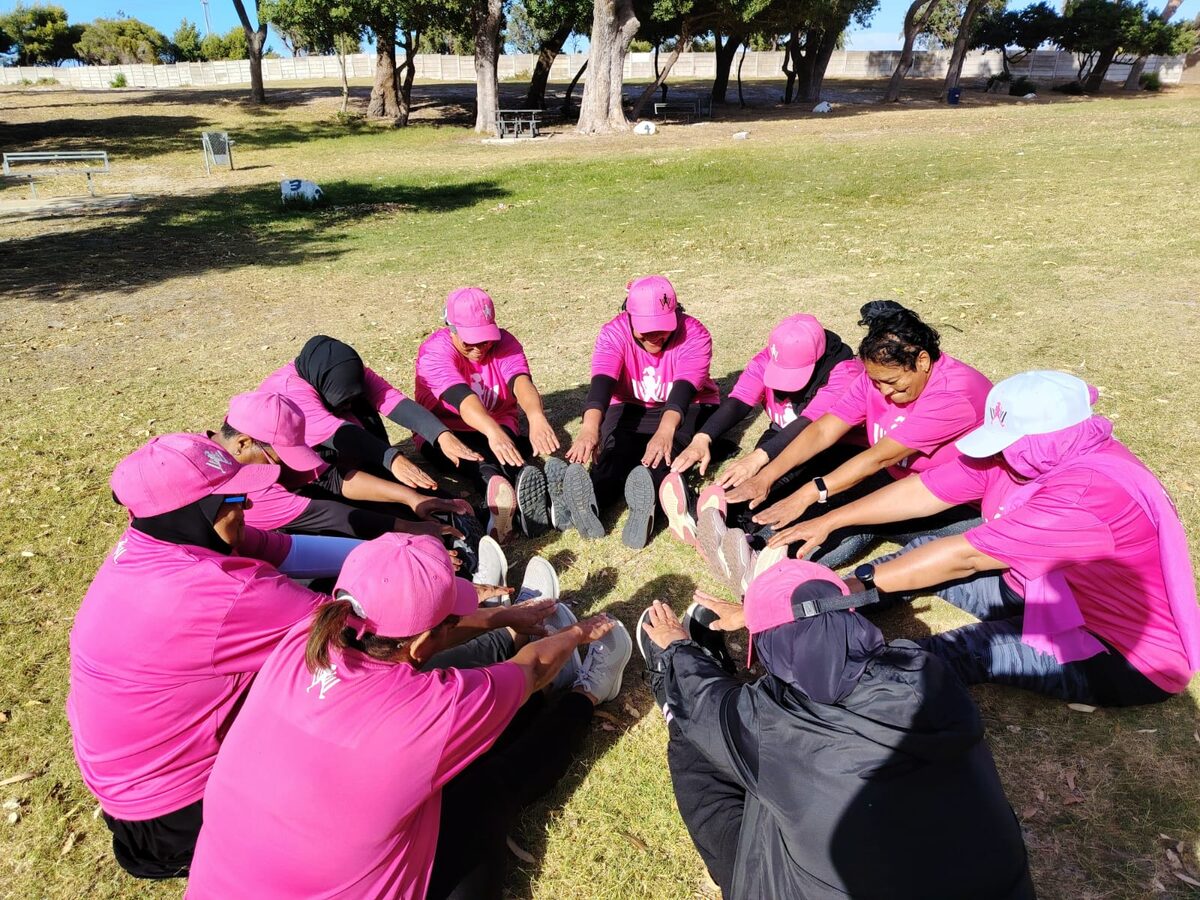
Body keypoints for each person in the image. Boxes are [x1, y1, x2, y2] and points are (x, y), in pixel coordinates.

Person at [186, 533, 634, 900]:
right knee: (484, 791)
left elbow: (417, 640)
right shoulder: (428, 708)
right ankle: (588, 693)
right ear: (421, 644)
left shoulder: (305, 637)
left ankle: (514, 646)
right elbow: (533, 668)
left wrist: (500, 617)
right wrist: (577, 633)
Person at [776, 371, 1200, 707]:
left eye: (1007, 442)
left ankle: (825, 673)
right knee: (919, 556)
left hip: (1117, 653)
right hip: (1050, 595)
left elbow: (966, 557)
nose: (997, 453)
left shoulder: (1087, 495)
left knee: (958, 652)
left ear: (1043, 439)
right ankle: (837, 619)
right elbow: (925, 491)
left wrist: (851, 587)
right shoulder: (1028, 455)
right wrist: (831, 519)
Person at [636, 560, 1034, 900]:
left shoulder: (772, 722)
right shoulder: (928, 672)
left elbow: (710, 709)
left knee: (698, 743)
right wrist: (760, 615)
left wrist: (678, 649)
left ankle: (668, 696)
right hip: (1000, 885)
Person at [67, 434, 334, 879]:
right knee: (343, 679)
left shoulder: (149, 543)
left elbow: (283, 548)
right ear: (193, 513)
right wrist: (439, 585)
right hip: (177, 813)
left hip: (130, 795)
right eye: (233, 498)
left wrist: (380, 545)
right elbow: (364, 625)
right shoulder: (222, 592)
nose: (246, 507)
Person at [725, 300, 991, 572]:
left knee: (849, 515)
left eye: (892, 383)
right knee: (837, 495)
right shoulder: (875, 375)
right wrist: (766, 477)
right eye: (877, 383)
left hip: (958, 503)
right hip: (898, 478)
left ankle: (776, 567)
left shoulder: (952, 395)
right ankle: (755, 545)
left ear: (922, 361)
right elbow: (823, 429)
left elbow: (880, 457)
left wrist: (809, 493)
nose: (884, 392)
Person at [659, 313, 864, 580]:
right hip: (780, 434)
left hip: (828, 447)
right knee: (749, 483)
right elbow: (739, 400)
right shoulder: (770, 357)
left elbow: (811, 428)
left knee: (783, 489)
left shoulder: (844, 374)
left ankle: (740, 537)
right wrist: (703, 438)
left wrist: (759, 458)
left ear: (817, 361)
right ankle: (711, 517)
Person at [561, 275, 720, 549]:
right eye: (645, 329)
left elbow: (683, 392)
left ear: (677, 312)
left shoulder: (695, 334)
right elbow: (601, 385)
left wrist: (665, 431)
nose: (655, 337)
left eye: (663, 328)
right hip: (629, 404)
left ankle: (648, 501)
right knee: (614, 454)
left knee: (662, 457)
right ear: (628, 316)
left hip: (683, 407)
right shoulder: (613, 333)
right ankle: (592, 502)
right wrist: (589, 429)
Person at [212, 390, 469, 541]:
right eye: (277, 459)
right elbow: (332, 516)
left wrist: (413, 499)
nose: (282, 469)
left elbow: (333, 479)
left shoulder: (226, 451)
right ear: (243, 443)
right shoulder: (249, 491)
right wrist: (413, 530)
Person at [415, 287, 560, 542]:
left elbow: (520, 382)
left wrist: (536, 416)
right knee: (481, 461)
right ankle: (498, 501)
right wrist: (492, 431)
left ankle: (539, 501)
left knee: (510, 456)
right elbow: (462, 399)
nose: (480, 348)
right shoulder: (434, 353)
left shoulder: (505, 342)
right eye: (470, 341)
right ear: (452, 328)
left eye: (485, 339)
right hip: (447, 430)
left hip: (498, 419)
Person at [258, 334, 483, 493]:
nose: (347, 408)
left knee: (362, 402)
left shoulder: (347, 369)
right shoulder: (290, 392)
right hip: (312, 459)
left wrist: (442, 435)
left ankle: (388, 476)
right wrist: (393, 459)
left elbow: (393, 401)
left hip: (345, 432)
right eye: (342, 404)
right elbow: (340, 433)